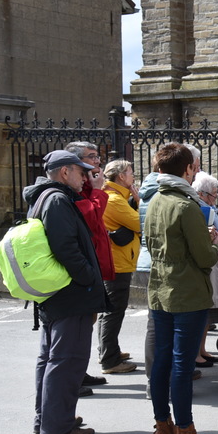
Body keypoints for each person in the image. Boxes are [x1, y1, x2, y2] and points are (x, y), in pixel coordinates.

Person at [145, 143, 218, 434]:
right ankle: (185, 431)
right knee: (180, 363)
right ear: (188, 169)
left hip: (160, 289)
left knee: (162, 361)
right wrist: (214, 244)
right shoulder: (185, 205)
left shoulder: (155, 201)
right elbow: (204, 257)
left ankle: (163, 425)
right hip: (187, 294)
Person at [26, 150, 107, 434]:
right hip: (71, 294)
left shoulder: (45, 197)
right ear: (64, 172)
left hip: (58, 293)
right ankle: (57, 428)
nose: (85, 176)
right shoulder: (58, 200)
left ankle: (48, 419)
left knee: (51, 358)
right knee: (66, 360)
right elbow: (66, 247)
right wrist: (88, 276)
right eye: (80, 171)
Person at [66, 141, 126, 384]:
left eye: (97, 156)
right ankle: (73, 376)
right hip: (82, 268)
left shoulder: (85, 186)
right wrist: (98, 189)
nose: (97, 161)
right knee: (77, 325)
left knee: (88, 321)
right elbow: (89, 217)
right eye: (92, 157)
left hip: (94, 264)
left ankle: (79, 371)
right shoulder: (74, 189)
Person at [97, 159, 141, 375]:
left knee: (110, 311)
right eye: (130, 172)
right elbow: (140, 223)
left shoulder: (117, 197)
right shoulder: (114, 200)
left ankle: (108, 350)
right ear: (121, 176)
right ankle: (109, 359)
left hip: (118, 260)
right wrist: (139, 201)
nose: (133, 176)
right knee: (114, 311)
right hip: (118, 263)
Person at [192, 170, 218, 368]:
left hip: (214, 258)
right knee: (203, 312)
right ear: (203, 194)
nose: (216, 198)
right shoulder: (201, 209)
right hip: (208, 261)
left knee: (207, 313)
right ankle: (197, 352)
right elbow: (215, 235)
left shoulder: (208, 208)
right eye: (214, 194)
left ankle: (201, 350)